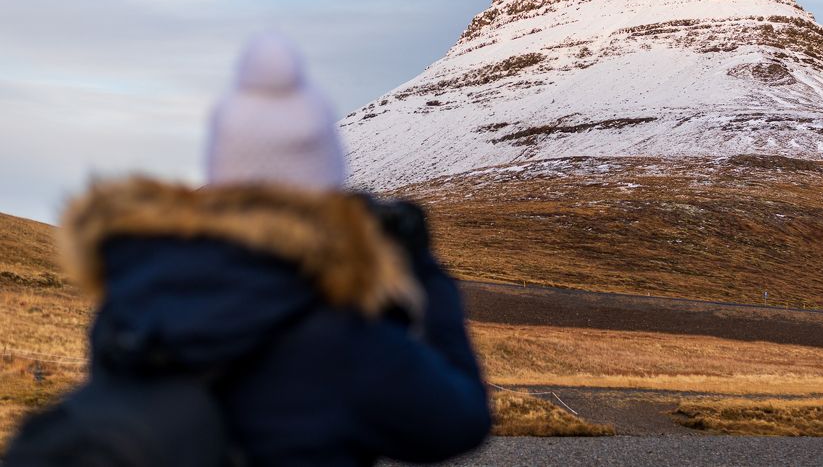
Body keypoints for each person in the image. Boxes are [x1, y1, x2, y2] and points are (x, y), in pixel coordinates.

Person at [8, 32, 491, 466]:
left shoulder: (134, 302)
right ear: (324, 188)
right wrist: (424, 271)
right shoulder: (342, 340)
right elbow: (458, 423)